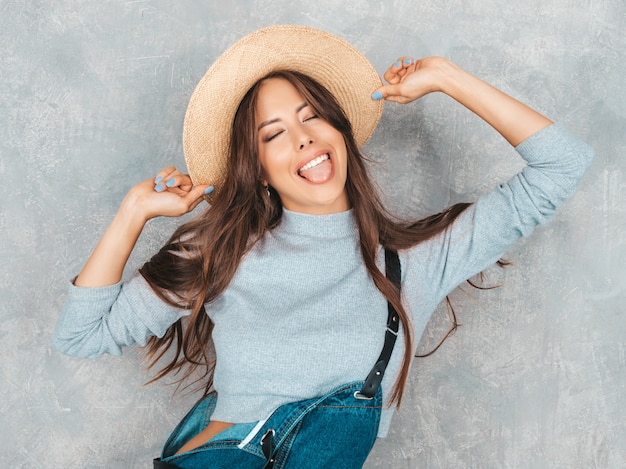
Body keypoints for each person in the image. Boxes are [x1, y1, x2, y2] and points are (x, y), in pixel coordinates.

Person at [52, 25, 594, 468]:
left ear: (340, 131)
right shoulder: (225, 251)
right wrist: (133, 212)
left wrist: (448, 77)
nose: (303, 138)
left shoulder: (413, 264)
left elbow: (562, 165)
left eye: (310, 116)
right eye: (274, 134)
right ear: (259, 171)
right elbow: (81, 336)